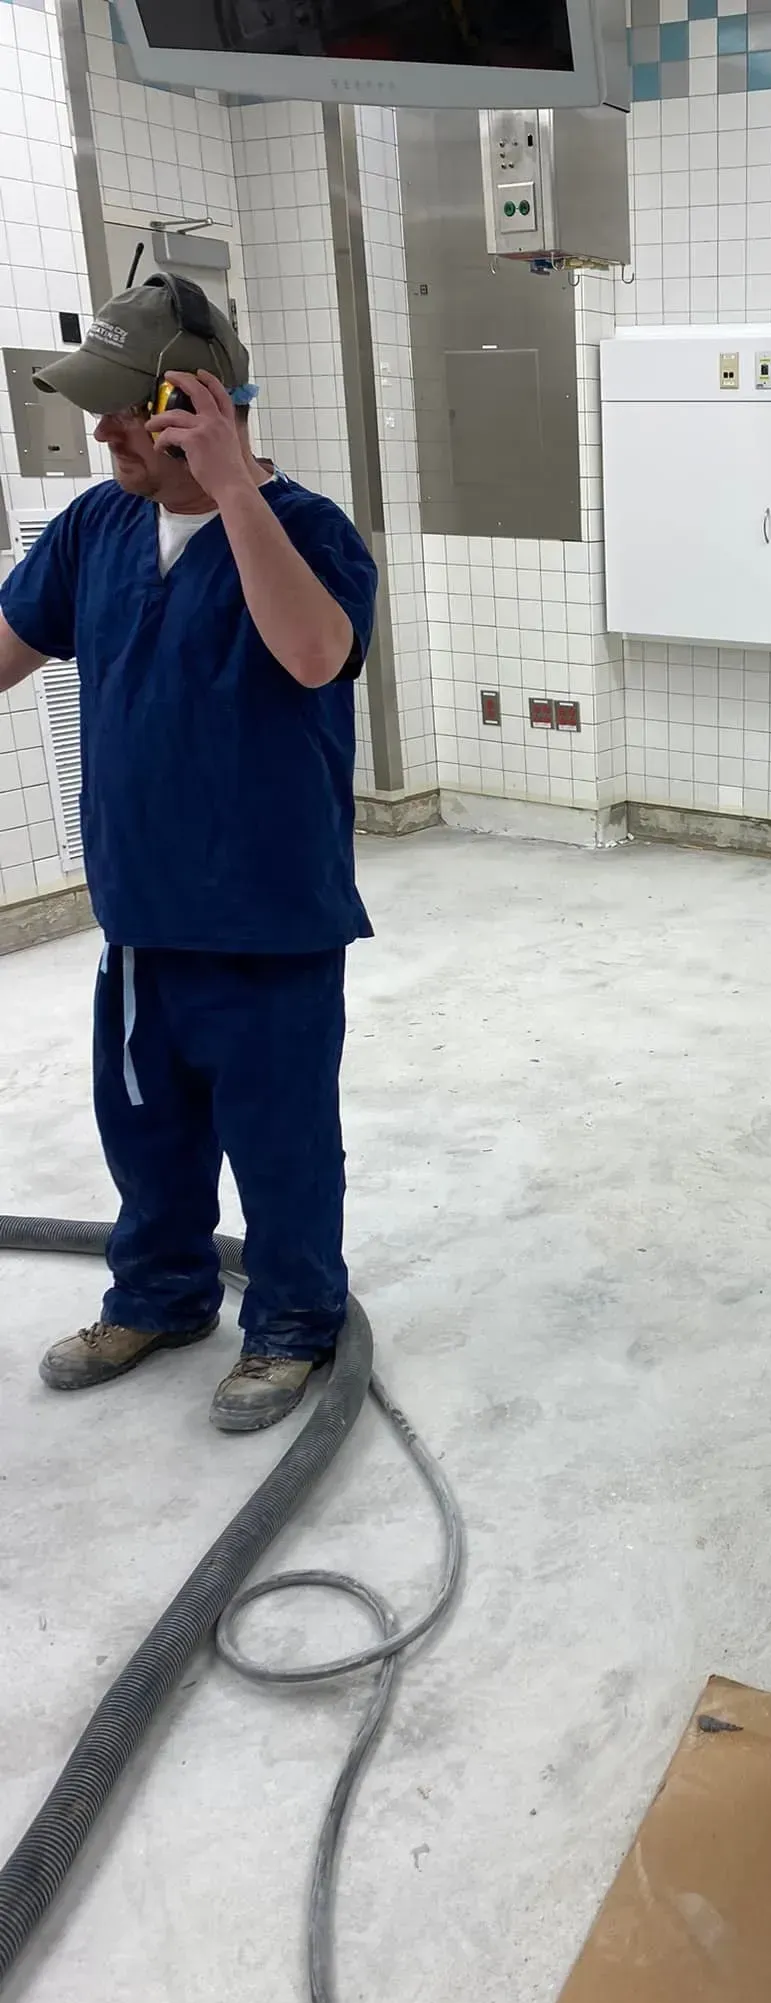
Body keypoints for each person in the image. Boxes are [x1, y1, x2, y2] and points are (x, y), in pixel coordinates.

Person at [0, 273, 377, 1433]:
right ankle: (159, 1296)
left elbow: (315, 652)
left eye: (122, 406)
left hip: (269, 916)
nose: (100, 429)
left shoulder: (308, 531)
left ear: (198, 398)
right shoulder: (96, 528)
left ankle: (292, 1325)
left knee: (279, 1144)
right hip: (144, 914)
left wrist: (230, 488)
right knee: (146, 1129)